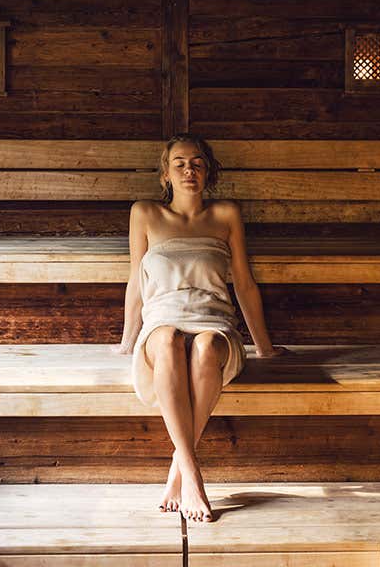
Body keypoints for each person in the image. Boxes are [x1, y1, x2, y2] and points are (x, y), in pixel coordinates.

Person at [112, 133, 283, 523]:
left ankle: (180, 466)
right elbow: (136, 281)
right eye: (180, 163)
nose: (189, 170)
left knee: (205, 347)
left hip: (215, 322)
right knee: (170, 339)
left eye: (197, 163)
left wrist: (265, 347)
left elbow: (244, 282)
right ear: (165, 174)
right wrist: (126, 340)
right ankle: (191, 473)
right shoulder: (145, 214)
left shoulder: (225, 215)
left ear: (208, 171)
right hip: (160, 322)